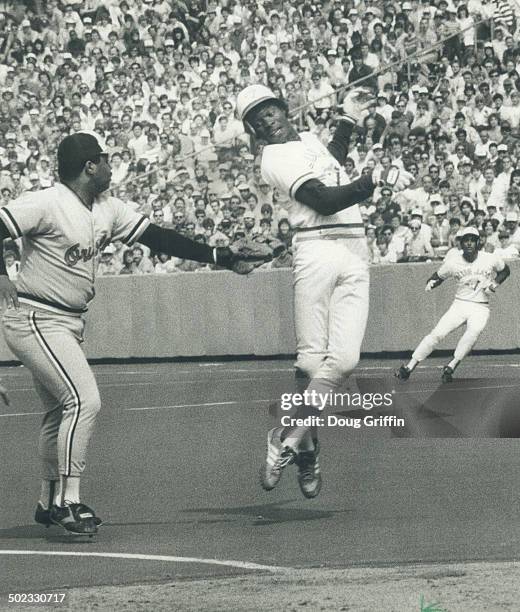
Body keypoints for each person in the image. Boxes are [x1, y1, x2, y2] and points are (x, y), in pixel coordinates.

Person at [0, 132, 269, 536]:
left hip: (66, 321)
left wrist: (222, 257)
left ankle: (47, 501)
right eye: (105, 159)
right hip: (35, 315)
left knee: (59, 410)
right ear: (89, 165)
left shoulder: (107, 208)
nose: (111, 166)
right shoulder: (47, 201)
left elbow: (157, 237)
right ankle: (69, 503)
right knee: (83, 400)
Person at [236, 84, 406, 499]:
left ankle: (286, 438)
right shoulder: (272, 158)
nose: (266, 123)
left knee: (345, 362)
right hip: (315, 247)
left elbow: (332, 163)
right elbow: (324, 200)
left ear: (283, 108)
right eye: (257, 122)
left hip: (354, 248)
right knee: (312, 367)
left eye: (269, 112)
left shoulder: (309, 139)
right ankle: (306, 450)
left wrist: (346, 119)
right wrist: (372, 182)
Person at [395, 227, 510, 384]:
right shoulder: (453, 262)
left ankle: (451, 366)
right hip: (460, 305)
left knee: (473, 332)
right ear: (461, 243)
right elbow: (437, 276)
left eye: (472, 240)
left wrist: (494, 284)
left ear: (478, 242)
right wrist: (431, 283)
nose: (469, 243)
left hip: (481, 306)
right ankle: (408, 367)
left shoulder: (490, 258)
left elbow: (505, 270)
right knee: (437, 334)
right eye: (465, 240)